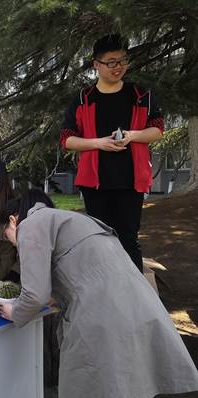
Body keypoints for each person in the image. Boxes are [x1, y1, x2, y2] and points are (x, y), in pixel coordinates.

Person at [0, 189, 198, 398]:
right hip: (137, 306)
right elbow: (85, 269)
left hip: (101, 317)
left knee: (95, 395)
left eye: (7, 237)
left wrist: (15, 311)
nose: (13, 244)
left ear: (13, 220)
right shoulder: (73, 219)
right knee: (126, 392)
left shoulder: (31, 223)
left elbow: (35, 295)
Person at [60, 33, 164, 273]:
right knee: (99, 238)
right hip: (95, 182)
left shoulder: (140, 95)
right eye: (111, 62)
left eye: (123, 60)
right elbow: (67, 140)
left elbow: (158, 129)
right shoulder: (83, 99)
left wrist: (132, 135)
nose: (118, 67)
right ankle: (103, 291)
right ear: (96, 64)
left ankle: (133, 296)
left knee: (128, 237)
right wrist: (98, 143)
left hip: (131, 180)